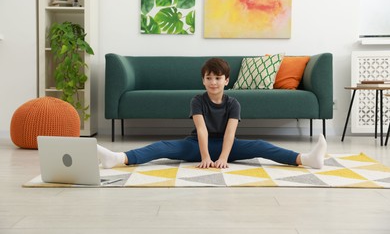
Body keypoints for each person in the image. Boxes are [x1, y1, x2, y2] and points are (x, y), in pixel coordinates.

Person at [98, 58, 327, 170]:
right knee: (162, 147)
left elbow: (230, 133)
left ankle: (305, 159)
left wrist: (224, 158)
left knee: (260, 145)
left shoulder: (233, 103)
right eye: (209, 78)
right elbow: (201, 129)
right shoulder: (197, 100)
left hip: (229, 145)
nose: (213, 82)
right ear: (203, 80)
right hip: (197, 144)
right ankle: (118, 158)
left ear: (226, 81)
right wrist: (206, 157)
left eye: (218, 78)